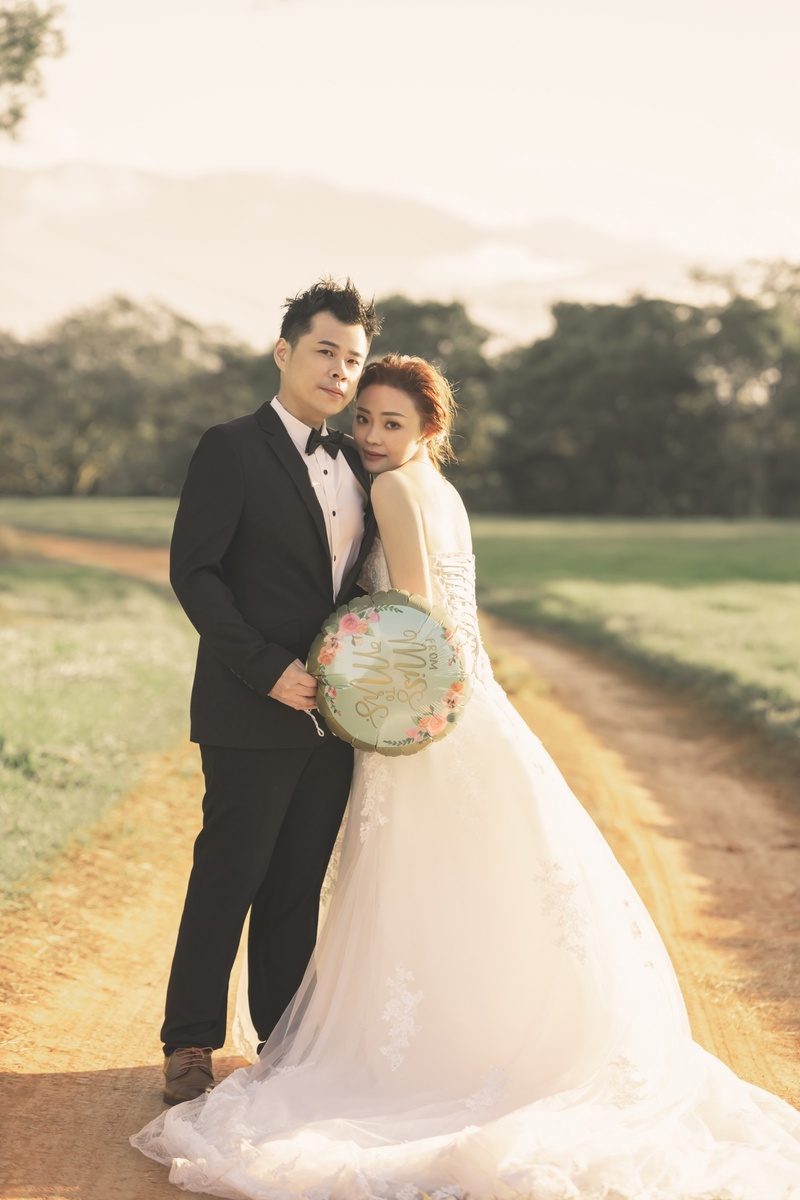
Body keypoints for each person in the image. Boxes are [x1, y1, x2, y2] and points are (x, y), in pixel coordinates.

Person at [134, 355, 800, 1196]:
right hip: (468, 706)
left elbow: (410, 623)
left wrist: (363, 679)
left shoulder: (389, 489)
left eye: (392, 423)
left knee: (412, 883)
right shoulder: (441, 492)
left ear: (429, 429)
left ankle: (415, 1053)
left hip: (418, 711)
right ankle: (482, 1037)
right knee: (476, 882)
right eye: (364, 419)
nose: (371, 435)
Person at [157, 278, 380, 1105]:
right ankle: (189, 1041)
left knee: (296, 884)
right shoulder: (230, 447)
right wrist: (264, 669)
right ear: (284, 352)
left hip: (334, 715)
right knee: (230, 874)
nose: (338, 371)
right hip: (248, 704)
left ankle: (283, 1043)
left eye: (351, 360)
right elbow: (196, 573)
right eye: (325, 351)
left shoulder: (356, 460)